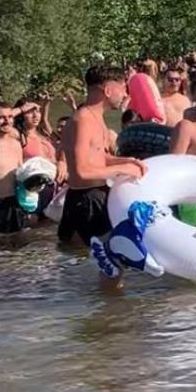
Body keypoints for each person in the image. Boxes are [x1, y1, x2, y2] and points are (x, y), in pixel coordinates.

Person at [58, 66, 146, 256]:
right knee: (89, 265)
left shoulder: (95, 117)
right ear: (107, 90)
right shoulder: (83, 120)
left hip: (97, 195)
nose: (125, 94)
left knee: (108, 261)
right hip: (85, 201)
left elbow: (97, 157)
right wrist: (122, 169)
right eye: (122, 88)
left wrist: (125, 161)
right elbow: (81, 171)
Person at [0, 105, 22, 240]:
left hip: (14, 204)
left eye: (10, 117)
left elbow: (21, 173)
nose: (7, 121)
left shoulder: (15, 144)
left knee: (17, 250)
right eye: (0, 118)